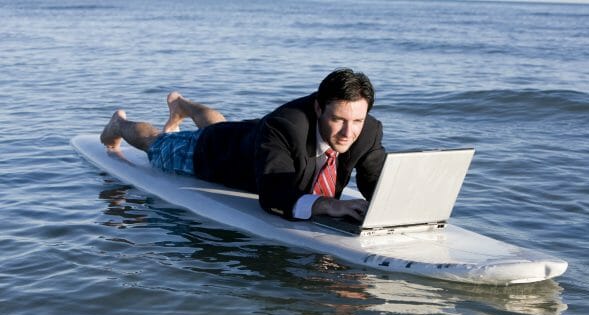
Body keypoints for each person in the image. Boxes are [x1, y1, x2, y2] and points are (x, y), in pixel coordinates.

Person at [100, 68, 386, 221]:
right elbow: (273, 194)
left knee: (221, 127)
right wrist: (326, 205)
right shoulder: (285, 127)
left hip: (250, 139)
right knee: (159, 144)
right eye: (338, 120)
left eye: (357, 121)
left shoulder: (368, 130)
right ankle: (118, 124)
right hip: (214, 154)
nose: (349, 132)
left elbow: (376, 178)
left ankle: (181, 105)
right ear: (318, 107)